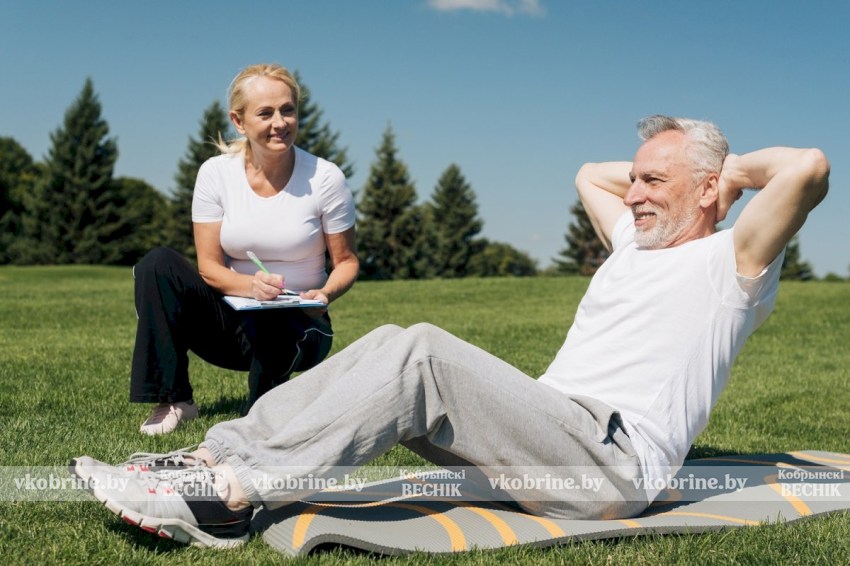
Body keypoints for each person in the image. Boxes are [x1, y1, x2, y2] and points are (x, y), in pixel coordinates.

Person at [73, 116, 829, 548]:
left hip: (612, 462)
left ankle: (229, 498)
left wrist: (724, 172)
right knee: (389, 341)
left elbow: (809, 167)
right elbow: (586, 175)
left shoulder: (735, 263)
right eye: (635, 179)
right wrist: (663, 165)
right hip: (547, 434)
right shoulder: (634, 243)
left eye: (653, 182)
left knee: (422, 351)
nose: (630, 193)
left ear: (707, 191)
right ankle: (211, 456)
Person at [130, 63, 358, 435]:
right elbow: (208, 267)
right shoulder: (216, 174)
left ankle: (262, 413)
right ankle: (174, 399)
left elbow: (347, 262)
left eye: (287, 110)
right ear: (239, 121)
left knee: (276, 316)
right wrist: (251, 287)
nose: (280, 122)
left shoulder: (326, 178)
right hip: (231, 327)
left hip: (303, 326)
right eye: (265, 113)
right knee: (157, 264)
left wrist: (325, 294)